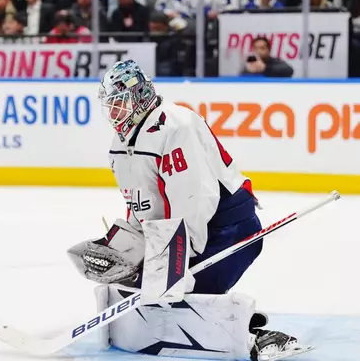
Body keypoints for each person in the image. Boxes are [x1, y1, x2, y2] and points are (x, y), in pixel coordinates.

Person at [67, 60, 311, 361]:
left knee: (181, 291)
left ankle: (256, 337)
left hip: (228, 231)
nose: (114, 113)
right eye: (111, 106)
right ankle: (209, 307)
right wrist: (124, 250)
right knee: (149, 288)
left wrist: (173, 265)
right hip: (180, 234)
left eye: (119, 104)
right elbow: (141, 209)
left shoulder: (176, 124)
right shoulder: (120, 144)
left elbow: (195, 199)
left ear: (140, 95)